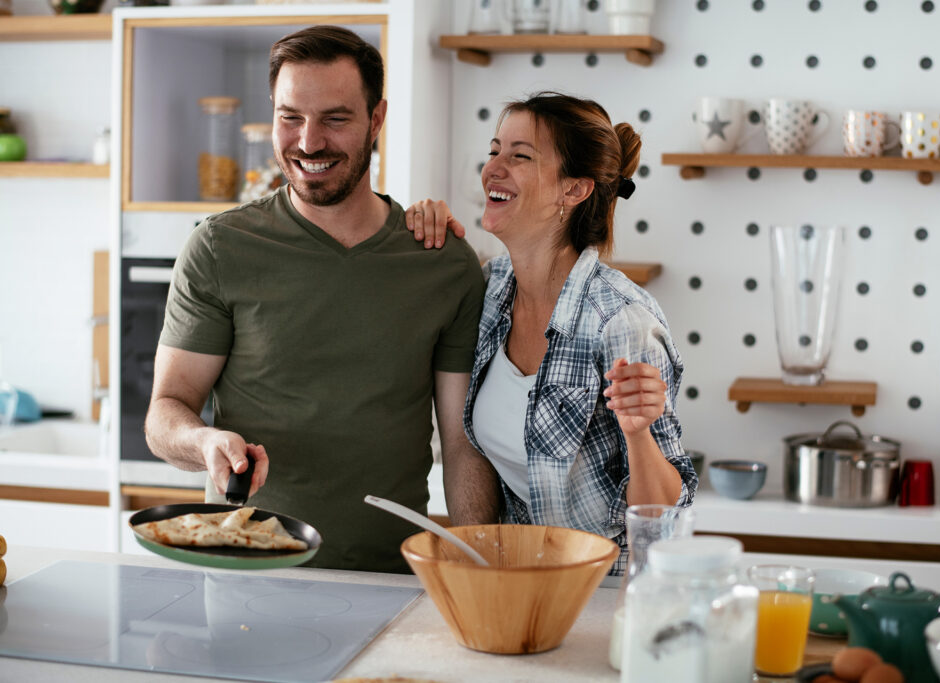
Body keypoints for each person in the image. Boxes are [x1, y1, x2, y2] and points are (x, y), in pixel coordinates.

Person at [144, 25, 498, 573]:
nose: (308, 142)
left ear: (376, 120)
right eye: (290, 117)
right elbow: (166, 411)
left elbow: (461, 442)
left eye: (335, 118)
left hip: (392, 579)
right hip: (246, 571)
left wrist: (481, 567)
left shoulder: (441, 261)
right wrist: (204, 441)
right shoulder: (219, 247)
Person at [406, 92, 698, 574]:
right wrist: (417, 229)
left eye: (520, 156)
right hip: (523, 580)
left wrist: (639, 432)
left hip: (604, 593)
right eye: (495, 150)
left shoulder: (622, 321)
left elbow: (662, 520)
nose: (493, 168)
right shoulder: (489, 291)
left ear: (574, 190)